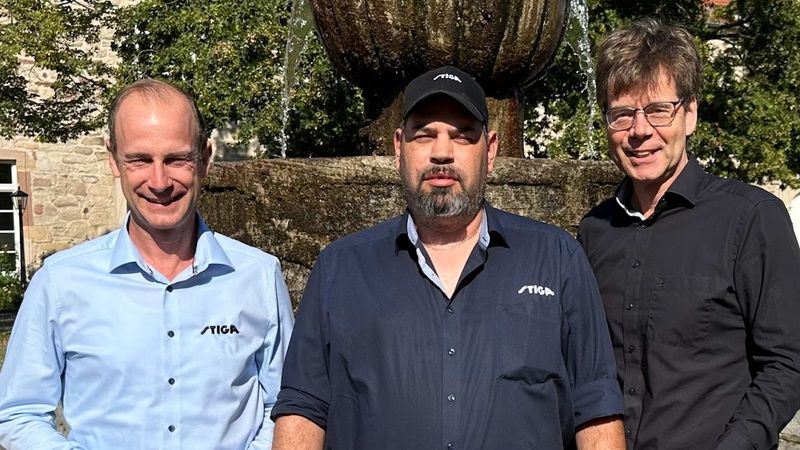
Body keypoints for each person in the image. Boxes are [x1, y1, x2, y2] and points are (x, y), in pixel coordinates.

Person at [271, 65, 624, 449]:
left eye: (462, 136)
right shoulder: (339, 270)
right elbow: (303, 410)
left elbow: (596, 407)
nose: (442, 153)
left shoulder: (556, 260)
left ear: (490, 150)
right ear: (398, 148)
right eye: (424, 135)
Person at [0, 79, 294, 449]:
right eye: (139, 160)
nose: (159, 182)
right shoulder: (60, 282)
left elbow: (287, 405)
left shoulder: (258, 277)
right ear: (112, 158)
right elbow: (19, 413)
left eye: (176, 159)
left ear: (205, 158)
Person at [578, 18, 800, 449]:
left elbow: (787, 363)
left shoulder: (751, 219)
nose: (640, 131)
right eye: (622, 114)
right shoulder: (595, 231)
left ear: (690, 114)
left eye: (658, 110)